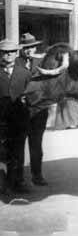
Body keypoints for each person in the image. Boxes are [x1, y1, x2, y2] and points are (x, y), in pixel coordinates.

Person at [0, 39, 33, 195]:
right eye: (5, 52)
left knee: (18, 152)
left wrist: (27, 101)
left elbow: (32, 96)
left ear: (16, 53)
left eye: (11, 51)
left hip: (19, 119)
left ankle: (18, 182)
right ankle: (3, 183)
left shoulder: (25, 73)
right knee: (2, 152)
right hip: (1, 120)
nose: (8, 54)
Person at [19, 33, 48, 185]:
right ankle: (18, 178)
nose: (29, 50)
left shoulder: (42, 63)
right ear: (21, 49)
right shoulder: (16, 63)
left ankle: (37, 175)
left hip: (38, 110)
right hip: (19, 111)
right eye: (26, 48)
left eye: (32, 47)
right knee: (18, 145)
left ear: (35, 47)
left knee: (36, 144)